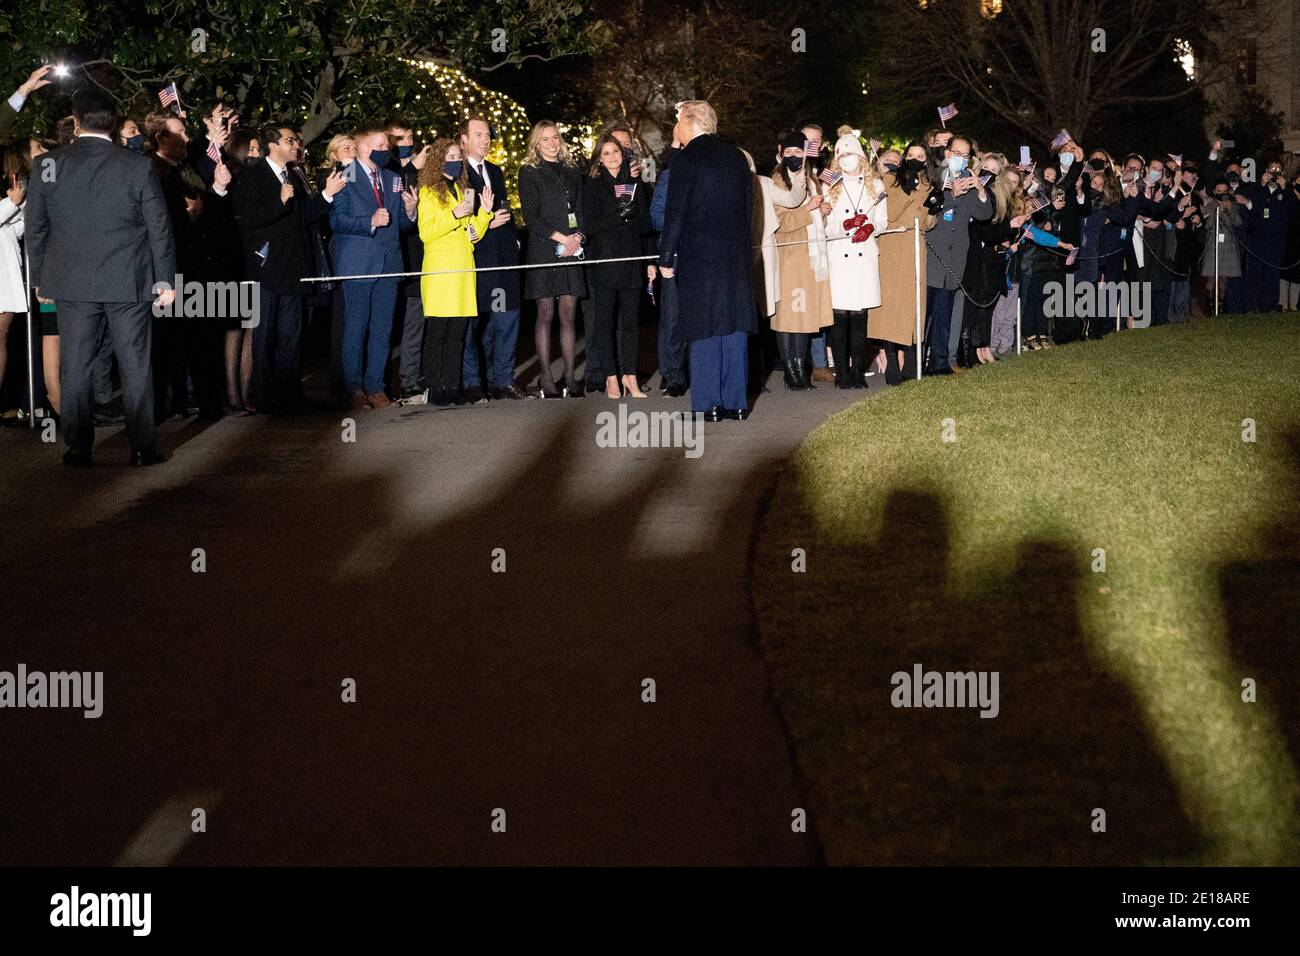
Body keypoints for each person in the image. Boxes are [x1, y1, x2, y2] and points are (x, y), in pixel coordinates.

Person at [25, 88, 176, 466]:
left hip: (72, 281)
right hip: (130, 280)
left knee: (75, 363)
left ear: (75, 123)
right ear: (112, 123)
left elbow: (36, 226)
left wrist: (41, 275)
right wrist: (166, 281)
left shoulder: (47, 166)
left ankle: (78, 448)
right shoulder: (137, 165)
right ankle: (142, 447)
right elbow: (160, 228)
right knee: (135, 361)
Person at [231, 123, 346, 413]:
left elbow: (304, 216)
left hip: (296, 266)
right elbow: (248, 219)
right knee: (265, 334)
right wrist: (279, 202)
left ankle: (290, 393)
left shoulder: (295, 175)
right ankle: (264, 395)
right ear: (272, 145)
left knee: (291, 335)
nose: (296, 145)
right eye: (289, 140)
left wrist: (327, 195)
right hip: (267, 268)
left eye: (296, 140)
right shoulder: (252, 177)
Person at [657, 100, 755, 421]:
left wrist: (666, 255)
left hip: (699, 255)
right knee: (733, 324)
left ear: (690, 123)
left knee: (703, 325)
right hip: (735, 254)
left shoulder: (685, 159)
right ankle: (736, 403)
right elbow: (749, 209)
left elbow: (676, 213)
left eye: (678, 122)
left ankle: (707, 404)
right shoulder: (737, 157)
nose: (676, 129)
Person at [330, 125, 417, 410]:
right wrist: (369, 222)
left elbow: (399, 225)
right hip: (358, 262)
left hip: (389, 263)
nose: (385, 151)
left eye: (386, 146)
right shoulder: (345, 175)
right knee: (356, 327)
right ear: (363, 147)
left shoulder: (392, 179)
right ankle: (353, 388)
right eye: (379, 146)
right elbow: (336, 221)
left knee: (382, 328)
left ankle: (376, 386)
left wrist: (411, 212)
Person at [416, 138, 493, 406]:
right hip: (440, 271)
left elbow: (472, 233)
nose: (456, 160)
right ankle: (436, 387)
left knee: (458, 334)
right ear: (438, 160)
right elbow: (426, 232)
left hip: (462, 269)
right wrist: (454, 216)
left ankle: (453, 384)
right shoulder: (428, 191)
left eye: (458, 155)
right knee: (438, 332)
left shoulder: (463, 189)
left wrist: (484, 214)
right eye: (450, 155)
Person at [459, 115, 527, 401]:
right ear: (463, 140)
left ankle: (503, 380)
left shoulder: (495, 171)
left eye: (487, 135)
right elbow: (460, 217)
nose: (485, 140)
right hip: (478, 257)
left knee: (508, 317)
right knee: (478, 324)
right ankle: (474, 381)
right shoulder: (457, 174)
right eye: (478, 135)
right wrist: (487, 221)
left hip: (504, 257)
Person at [517, 120, 586, 399]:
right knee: (545, 314)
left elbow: (582, 209)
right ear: (536, 143)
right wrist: (562, 238)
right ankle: (547, 377)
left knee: (568, 314)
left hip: (572, 249)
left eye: (555, 137)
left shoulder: (572, 171)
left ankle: (570, 376)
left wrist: (578, 237)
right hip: (545, 249)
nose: (552, 143)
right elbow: (531, 216)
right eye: (545, 139)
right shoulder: (529, 172)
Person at [582, 132, 652, 399]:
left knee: (631, 322)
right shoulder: (593, 185)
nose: (612, 157)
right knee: (605, 320)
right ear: (600, 158)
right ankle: (611, 376)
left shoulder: (635, 183)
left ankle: (630, 376)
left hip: (631, 259)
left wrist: (633, 213)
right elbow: (589, 225)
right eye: (607, 153)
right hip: (605, 260)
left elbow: (647, 225)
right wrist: (617, 214)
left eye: (616, 152)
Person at [824, 133, 888, 389]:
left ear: (861, 157)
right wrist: (844, 225)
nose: (847, 159)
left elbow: (883, 219)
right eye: (843, 155)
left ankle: (858, 371)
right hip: (839, 256)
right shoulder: (829, 185)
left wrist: (871, 227)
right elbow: (825, 227)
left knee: (860, 318)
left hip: (864, 257)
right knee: (840, 318)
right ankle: (841, 372)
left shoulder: (877, 186)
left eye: (852, 154)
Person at [870, 141, 937, 384]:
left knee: (912, 305)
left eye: (921, 156)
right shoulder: (890, 180)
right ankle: (890, 363)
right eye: (911, 155)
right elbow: (891, 213)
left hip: (915, 246)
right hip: (891, 245)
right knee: (890, 306)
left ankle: (910, 362)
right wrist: (906, 191)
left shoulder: (928, 184)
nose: (915, 159)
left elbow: (928, 223)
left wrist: (932, 210)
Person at [924, 134, 991, 374]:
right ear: (947, 153)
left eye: (965, 156)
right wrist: (953, 195)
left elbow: (984, 214)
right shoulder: (933, 176)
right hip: (933, 253)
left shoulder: (968, 179)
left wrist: (981, 191)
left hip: (955, 258)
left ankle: (939, 363)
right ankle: (917, 362)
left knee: (944, 313)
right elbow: (929, 208)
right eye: (957, 153)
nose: (960, 159)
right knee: (924, 314)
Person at [771, 131, 829, 390]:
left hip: (812, 256)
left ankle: (801, 368)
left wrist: (822, 213)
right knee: (788, 318)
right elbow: (779, 223)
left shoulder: (812, 180)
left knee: (804, 317)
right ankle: (790, 371)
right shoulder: (778, 181)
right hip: (790, 255)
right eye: (789, 152)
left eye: (798, 152)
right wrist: (808, 210)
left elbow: (818, 220)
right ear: (781, 154)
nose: (793, 157)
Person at [649, 140, 687, 397]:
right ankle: (672, 374)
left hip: (700, 252)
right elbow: (656, 216)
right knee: (673, 316)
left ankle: (693, 370)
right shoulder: (668, 176)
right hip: (673, 251)